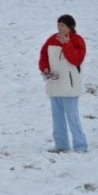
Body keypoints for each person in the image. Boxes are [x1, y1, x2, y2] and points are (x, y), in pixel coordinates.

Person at [39, 14, 89, 153]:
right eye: (58, 25)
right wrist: (45, 69)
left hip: (70, 87)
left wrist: (66, 44)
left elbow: (76, 60)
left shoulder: (78, 40)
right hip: (54, 85)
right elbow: (43, 56)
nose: (59, 28)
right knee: (57, 119)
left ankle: (81, 146)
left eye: (62, 26)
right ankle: (61, 145)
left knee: (72, 118)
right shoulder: (51, 39)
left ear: (70, 27)